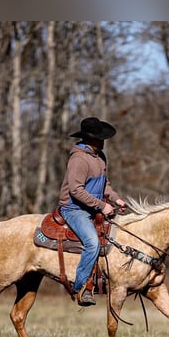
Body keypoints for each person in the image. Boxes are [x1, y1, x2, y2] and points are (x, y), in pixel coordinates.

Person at [58, 117, 126, 307]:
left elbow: (105, 185)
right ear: (90, 139)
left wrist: (115, 199)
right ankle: (80, 287)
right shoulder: (79, 159)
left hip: (91, 206)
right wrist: (102, 206)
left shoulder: (100, 157)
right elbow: (76, 190)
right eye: (100, 138)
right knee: (92, 243)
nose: (103, 141)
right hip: (74, 208)